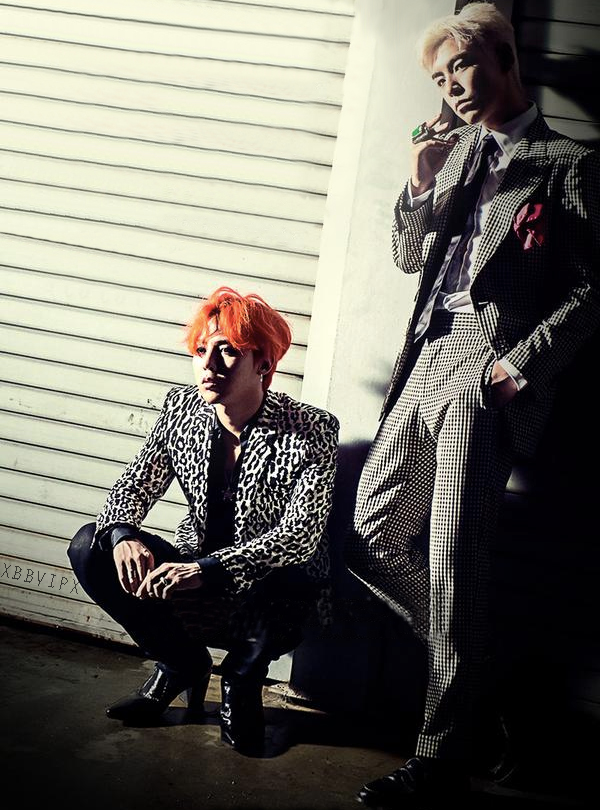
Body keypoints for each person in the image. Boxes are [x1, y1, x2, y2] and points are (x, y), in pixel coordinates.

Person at [346, 2, 600, 804]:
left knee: (455, 559)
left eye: (461, 65)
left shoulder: (567, 162)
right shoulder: (454, 154)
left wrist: (519, 367)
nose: (451, 86)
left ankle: (439, 755)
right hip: (424, 358)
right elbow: (406, 255)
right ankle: (482, 675)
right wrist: (418, 182)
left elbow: (592, 289)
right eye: (439, 77)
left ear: (503, 56)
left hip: (488, 367)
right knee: (372, 531)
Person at [68, 286, 339, 756]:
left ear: (263, 364)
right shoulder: (181, 411)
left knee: (288, 580)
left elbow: (299, 537)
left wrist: (207, 570)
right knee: (88, 546)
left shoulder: (311, 428)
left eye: (227, 351)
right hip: (197, 562)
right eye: (200, 351)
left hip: (275, 583)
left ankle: (241, 678)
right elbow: (133, 488)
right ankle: (179, 664)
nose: (209, 366)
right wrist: (122, 535)